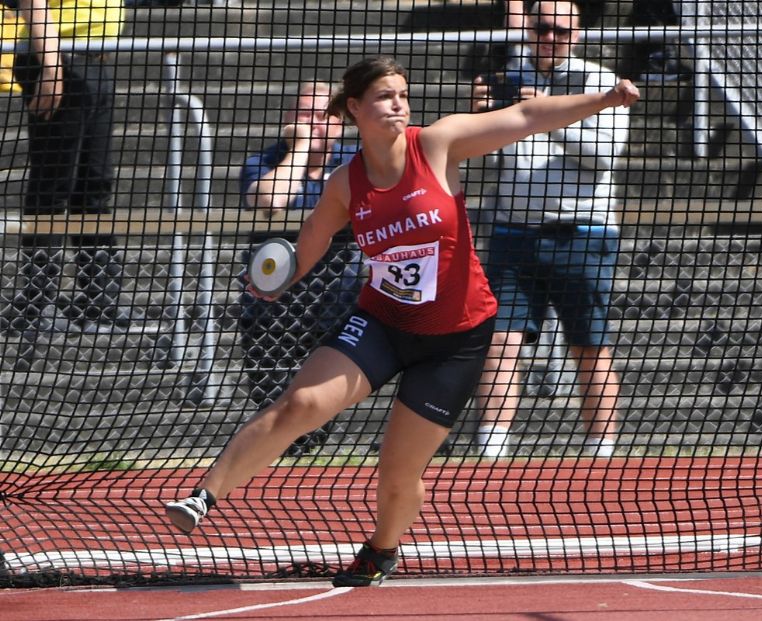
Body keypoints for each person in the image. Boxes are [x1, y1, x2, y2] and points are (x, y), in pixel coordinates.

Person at [165, 54, 638, 587]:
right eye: (384, 96)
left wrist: (602, 100)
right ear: (354, 109)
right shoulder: (346, 182)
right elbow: (312, 241)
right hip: (382, 323)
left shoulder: (436, 144)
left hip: (455, 341)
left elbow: (527, 117)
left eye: (402, 94)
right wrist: (275, 281)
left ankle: (381, 550)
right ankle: (203, 495)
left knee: (396, 474)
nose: (397, 103)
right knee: (300, 402)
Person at [470, 0, 634, 459]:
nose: (550, 37)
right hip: (513, 230)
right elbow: (480, 150)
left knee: (589, 344)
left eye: (561, 31)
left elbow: (602, 156)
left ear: (577, 33)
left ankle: (601, 453)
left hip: (583, 232)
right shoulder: (505, 77)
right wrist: (479, 117)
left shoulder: (601, 83)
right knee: (501, 342)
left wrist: (543, 114)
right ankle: (491, 451)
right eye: (542, 28)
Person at [238, 81, 362, 456]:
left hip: (336, 304)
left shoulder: (359, 162)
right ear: (288, 119)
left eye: (325, 117)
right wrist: (302, 147)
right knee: (276, 418)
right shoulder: (262, 163)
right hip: (271, 309)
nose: (316, 124)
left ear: (340, 124)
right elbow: (272, 200)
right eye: (306, 114)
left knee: (315, 417)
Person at [2, 0, 128, 336]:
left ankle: (99, 299)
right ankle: (37, 300)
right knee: (53, 186)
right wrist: (51, 66)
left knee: (95, 185)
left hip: (93, 62)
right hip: (59, 61)